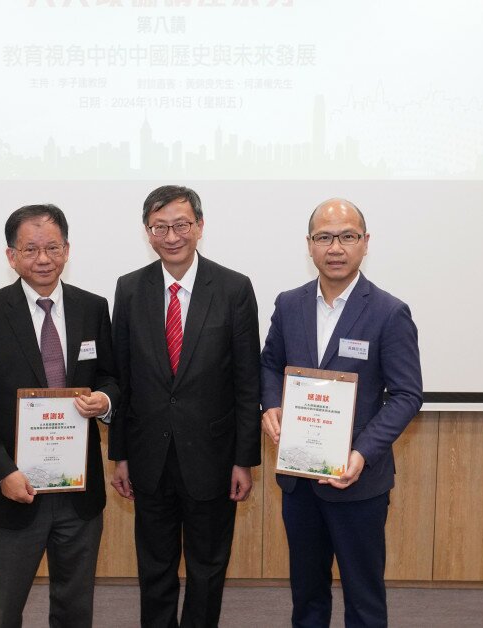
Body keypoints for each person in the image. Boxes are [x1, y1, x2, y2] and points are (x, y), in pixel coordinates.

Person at [0, 204, 119, 628]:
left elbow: (111, 377)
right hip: (13, 490)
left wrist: (104, 399)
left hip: (78, 493)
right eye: (30, 249)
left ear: (67, 250)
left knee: (75, 608)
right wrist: (2, 472)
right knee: (6, 611)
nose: (42, 259)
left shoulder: (92, 308)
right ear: (12, 256)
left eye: (52, 247)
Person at [259, 198, 423, 628]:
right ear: (309, 245)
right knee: (307, 597)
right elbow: (270, 363)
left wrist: (362, 452)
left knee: (364, 600)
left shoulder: (389, 312)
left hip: (358, 483)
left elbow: (407, 394)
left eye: (348, 236)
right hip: (299, 482)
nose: (336, 247)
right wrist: (272, 403)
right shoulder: (289, 304)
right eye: (325, 237)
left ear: (365, 243)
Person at [108, 185, 261, 628]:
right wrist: (119, 455)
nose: (171, 236)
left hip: (213, 459)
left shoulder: (233, 288)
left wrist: (243, 460)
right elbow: (122, 380)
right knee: (154, 570)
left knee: (207, 569)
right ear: (148, 232)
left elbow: (247, 381)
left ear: (199, 226)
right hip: (148, 457)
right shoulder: (130, 288)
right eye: (160, 227)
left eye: (181, 225)